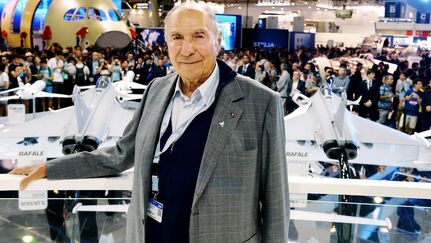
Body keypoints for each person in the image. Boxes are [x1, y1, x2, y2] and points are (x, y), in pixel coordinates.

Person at [10, 2, 290, 243]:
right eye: (177, 37)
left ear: (217, 41)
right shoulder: (157, 90)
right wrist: (51, 168)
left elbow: (276, 201)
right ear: (166, 44)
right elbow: (121, 154)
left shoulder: (260, 101)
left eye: (199, 36)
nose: (187, 48)